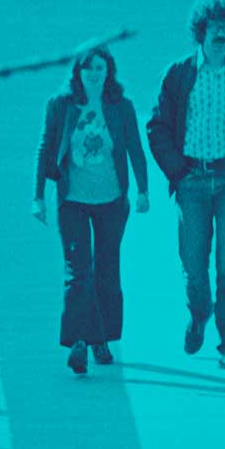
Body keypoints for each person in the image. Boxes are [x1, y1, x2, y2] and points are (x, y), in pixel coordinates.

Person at [145, 0, 225, 372]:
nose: (221, 34)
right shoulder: (180, 73)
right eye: (215, 28)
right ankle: (199, 313)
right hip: (192, 182)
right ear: (201, 32)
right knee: (193, 264)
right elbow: (156, 127)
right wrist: (178, 172)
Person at [32, 42, 151, 375]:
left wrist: (143, 190)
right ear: (78, 73)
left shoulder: (121, 107)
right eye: (89, 68)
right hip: (72, 202)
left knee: (107, 272)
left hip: (112, 202)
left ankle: (102, 338)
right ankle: (78, 344)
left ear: (108, 71)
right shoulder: (60, 106)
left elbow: (135, 149)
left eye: (100, 68)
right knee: (78, 272)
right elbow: (45, 150)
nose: (95, 74)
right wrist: (37, 195)